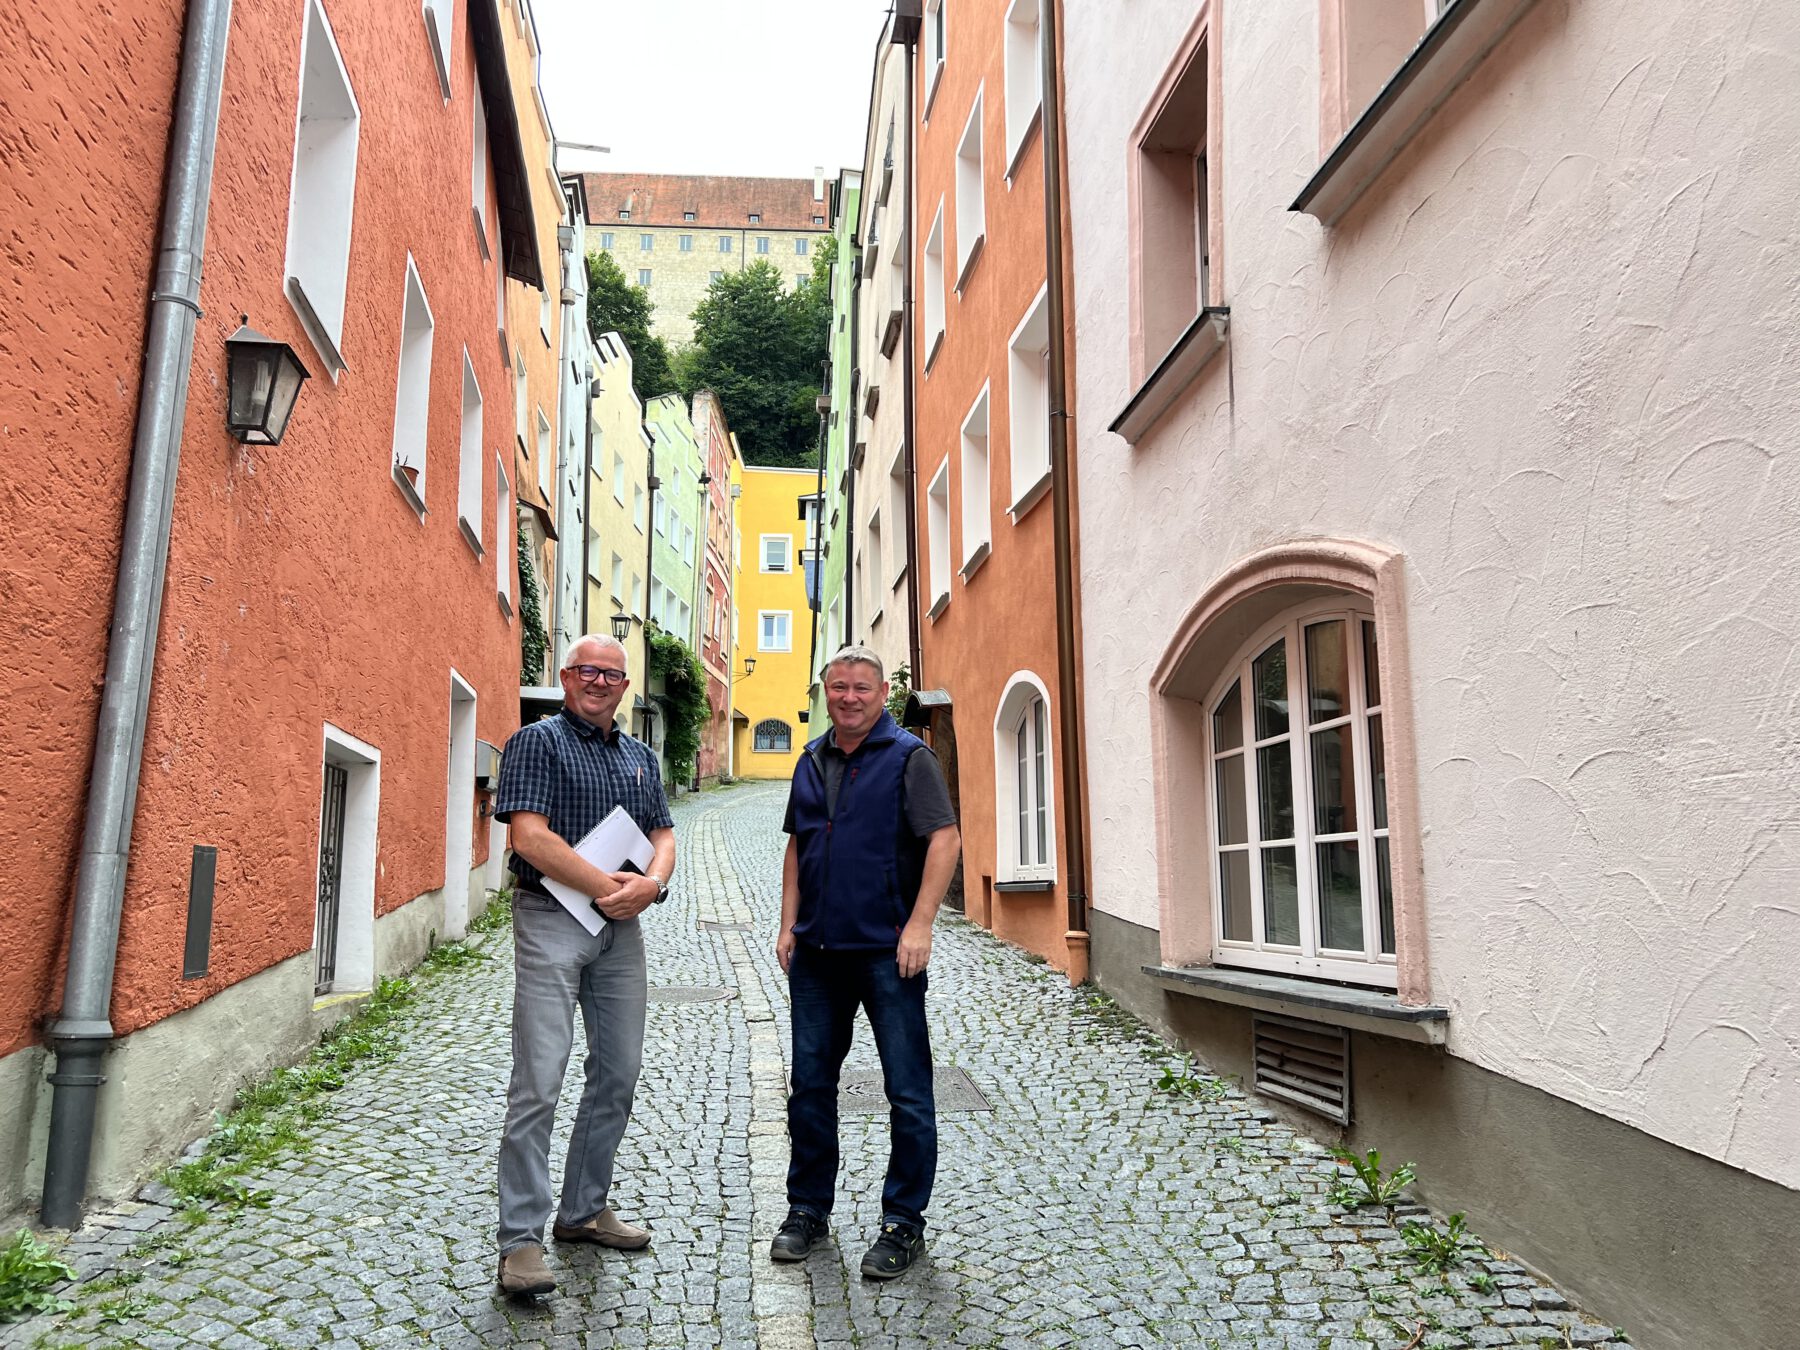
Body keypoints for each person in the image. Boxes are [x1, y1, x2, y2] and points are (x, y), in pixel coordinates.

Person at [490, 634, 676, 1297]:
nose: (599, 682)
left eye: (611, 675)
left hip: (619, 928)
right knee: (539, 1079)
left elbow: (662, 835)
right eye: (586, 671)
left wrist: (650, 884)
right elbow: (529, 837)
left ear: (625, 687)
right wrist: (610, 885)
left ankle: (582, 1210)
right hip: (550, 919)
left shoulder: (639, 757)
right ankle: (520, 1243)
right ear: (565, 677)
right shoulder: (536, 743)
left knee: (618, 1074)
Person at [771, 645, 961, 1280]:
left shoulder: (910, 758)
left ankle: (903, 1222)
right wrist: (786, 924)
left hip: (888, 953)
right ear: (826, 692)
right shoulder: (811, 757)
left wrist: (921, 924)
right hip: (818, 956)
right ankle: (806, 1211)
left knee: (907, 1093)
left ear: (881, 693)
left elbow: (944, 838)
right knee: (811, 1088)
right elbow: (798, 844)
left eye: (861, 688)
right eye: (838, 687)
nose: (849, 698)